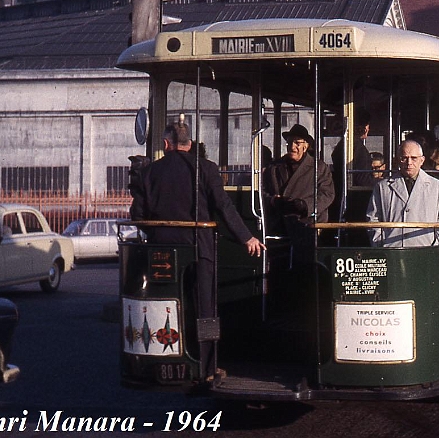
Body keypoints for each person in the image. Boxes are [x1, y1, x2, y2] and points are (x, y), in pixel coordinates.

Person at [130, 121, 263, 381]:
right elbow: (224, 207)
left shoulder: (149, 173)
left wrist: (158, 235)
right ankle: (207, 367)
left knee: (167, 305)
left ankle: (165, 360)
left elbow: (138, 216)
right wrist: (246, 237)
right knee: (205, 307)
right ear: (189, 145)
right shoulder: (206, 169)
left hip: (163, 253)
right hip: (199, 248)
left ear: (166, 145)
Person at [263, 123, 335, 257]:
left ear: (306, 145)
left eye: (297, 143)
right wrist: (273, 201)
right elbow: (262, 191)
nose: (292, 147)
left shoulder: (319, 167)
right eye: (289, 142)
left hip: (306, 226)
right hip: (279, 228)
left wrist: (305, 205)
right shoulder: (274, 167)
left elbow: (327, 194)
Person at [366, 139, 439, 247]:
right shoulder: (382, 187)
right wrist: (380, 244)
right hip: (391, 252)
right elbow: (373, 219)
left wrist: (435, 248)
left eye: (414, 158)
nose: (409, 163)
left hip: (425, 252)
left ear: (422, 160)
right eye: (404, 158)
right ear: (398, 160)